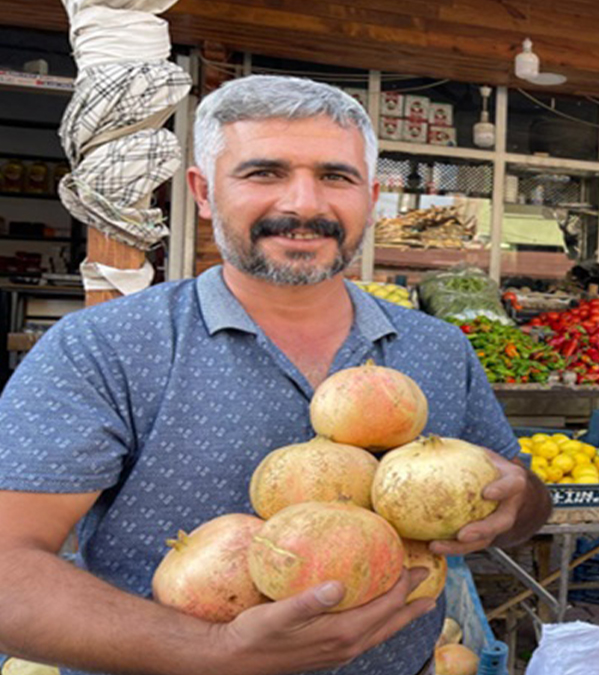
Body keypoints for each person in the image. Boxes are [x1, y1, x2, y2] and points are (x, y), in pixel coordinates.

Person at [0, 75, 551, 675]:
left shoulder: (436, 348)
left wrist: (517, 503)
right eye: (264, 173)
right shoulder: (105, 348)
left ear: (369, 195)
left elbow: (520, 502)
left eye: (335, 177)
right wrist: (211, 651)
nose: (304, 205)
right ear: (203, 192)